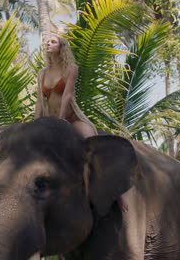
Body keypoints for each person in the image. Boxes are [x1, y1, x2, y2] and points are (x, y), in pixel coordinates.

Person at [34, 34, 129, 213]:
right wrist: (34, 125)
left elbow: (67, 95)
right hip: (50, 120)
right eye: (47, 41)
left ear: (61, 46)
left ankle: (116, 192)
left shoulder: (71, 68)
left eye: (53, 41)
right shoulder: (42, 73)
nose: (48, 43)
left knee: (92, 142)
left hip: (71, 118)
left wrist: (62, 121)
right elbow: (40, 101)